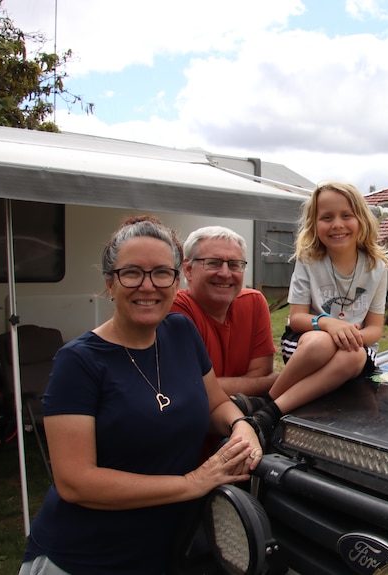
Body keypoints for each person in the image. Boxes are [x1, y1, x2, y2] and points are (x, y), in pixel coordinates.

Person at [18, 216, 262, 575]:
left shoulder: (181, 331)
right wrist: (191, 484)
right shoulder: (79, 361)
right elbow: (75, 482)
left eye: (161, 273)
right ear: (109, 283)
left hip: (165, 551)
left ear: (177, 280)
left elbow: (215, 404)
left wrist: (241, 425)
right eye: (131, 273)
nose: (147, 286)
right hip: (85, 557)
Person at [241, 182, 388, 445]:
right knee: (323, 341)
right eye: (327, 217)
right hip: (306, 344)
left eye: (346, 215)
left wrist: (348, 336)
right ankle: (272, 404)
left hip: (353, 350)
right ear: (314, 223)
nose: (337, 224)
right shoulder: (309, 260)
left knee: (354, 357)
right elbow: (297, 319)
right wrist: (327, 324)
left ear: (362, 219)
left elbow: (375, 329)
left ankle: (268, 408)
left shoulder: (377, 267)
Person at [171, 226, 277, 400]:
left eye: (235, 265)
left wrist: (213, 385)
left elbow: (262, 371)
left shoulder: (254, 303)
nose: (225, 273)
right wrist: (269, 382)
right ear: (188, 270)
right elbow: (187, 388)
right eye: (213, 263)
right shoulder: (176, 309)